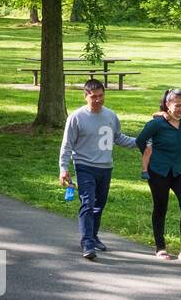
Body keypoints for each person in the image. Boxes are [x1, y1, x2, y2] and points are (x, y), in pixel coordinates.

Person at [59, 79, 140, 260]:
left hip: (105, 167)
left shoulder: (110, 116)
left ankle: (94, 236)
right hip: (84, 166)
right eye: (93, 96)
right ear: (85, 96)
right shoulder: (76, 117)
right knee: (87, 203)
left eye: (101, 95)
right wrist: (63, 168)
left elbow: (118, 138)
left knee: (99, 205)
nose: (98, 100)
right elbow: (67, 145)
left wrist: (140, 143)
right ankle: (87, 243)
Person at [136, 88, 181, 264]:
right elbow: (140, 141)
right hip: (159, 171)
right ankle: (160, 247)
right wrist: (151, 159)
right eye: (177, 105)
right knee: (160, 207)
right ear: (167, 104)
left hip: (180, 170)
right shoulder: (156, 124)